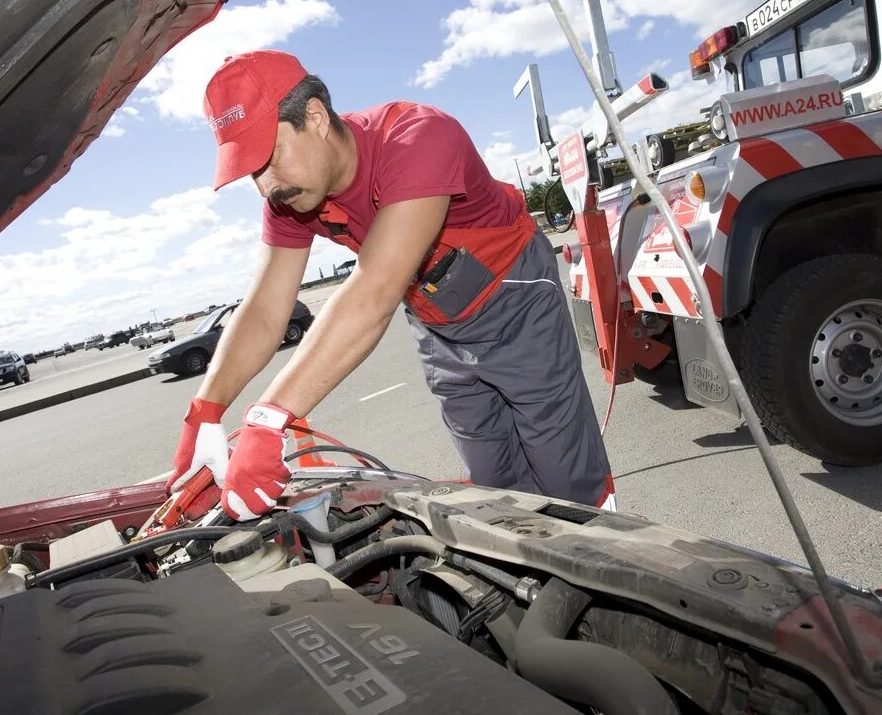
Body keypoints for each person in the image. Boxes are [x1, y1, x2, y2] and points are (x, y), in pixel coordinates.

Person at [168, 50, 613, 520]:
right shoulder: (289, 197)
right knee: (497, 486)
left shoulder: (417, 137)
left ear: (315, 117)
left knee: (565, 473)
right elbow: (264, 309)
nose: (266, 186)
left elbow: (375, 290)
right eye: (250, 171)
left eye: (268, 156)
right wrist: (205, 409)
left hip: (516, 300)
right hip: (437, 322)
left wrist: (269, 417)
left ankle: (615, 558)